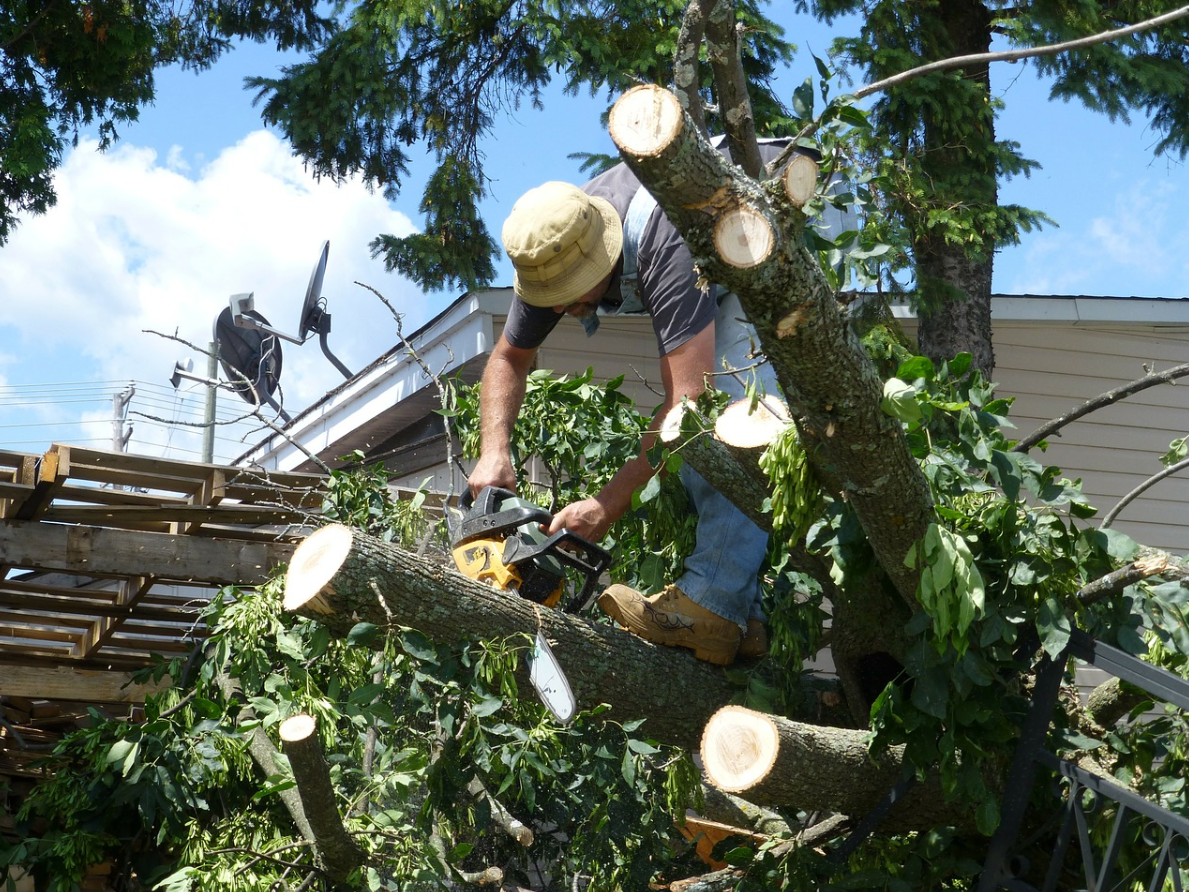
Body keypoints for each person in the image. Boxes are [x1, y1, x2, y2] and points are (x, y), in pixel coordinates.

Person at [468, 148, 837, 666]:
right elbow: (508, 358)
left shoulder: (667, 237)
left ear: (603, 252)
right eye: (551, 296)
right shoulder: (551, 245)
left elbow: (690, 403)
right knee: (699, 436)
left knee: (733, 415)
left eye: (572, 294)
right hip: (720, 265)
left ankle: (713, 604)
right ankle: (744, 618)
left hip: (772, 233)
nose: (562, 308)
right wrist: (493, 452)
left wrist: (605, 505)